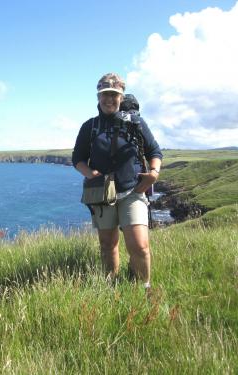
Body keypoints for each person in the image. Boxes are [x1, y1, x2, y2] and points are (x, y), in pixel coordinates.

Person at [72, 73, 163, 292]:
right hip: (103, 193)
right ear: (98, 97)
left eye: (114, 94)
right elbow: (77, 158)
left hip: (133, 190)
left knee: (140, 247)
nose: (109, 99)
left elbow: (155, 151)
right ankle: (111, 288)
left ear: (121, 97)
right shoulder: (90, 127)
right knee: (107, 245)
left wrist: (154, 173)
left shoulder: (136, 123)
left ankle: (144, 288)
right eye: (105, 94)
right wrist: (89, 172)